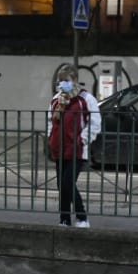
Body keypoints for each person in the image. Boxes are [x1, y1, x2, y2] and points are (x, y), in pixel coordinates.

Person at [47, 65, 102, 228]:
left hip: (76, 149)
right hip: (60, 148)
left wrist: (82, 140)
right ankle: (64, 219)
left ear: (75, 80)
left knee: (68, 183)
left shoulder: (85, 99)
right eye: (61, 80)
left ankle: (82, 217)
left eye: (66, 80)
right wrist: (51, 139)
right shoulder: (56, 99)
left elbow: (95, 123)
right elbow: (50, 121)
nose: (62, 83)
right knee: (61, 185)